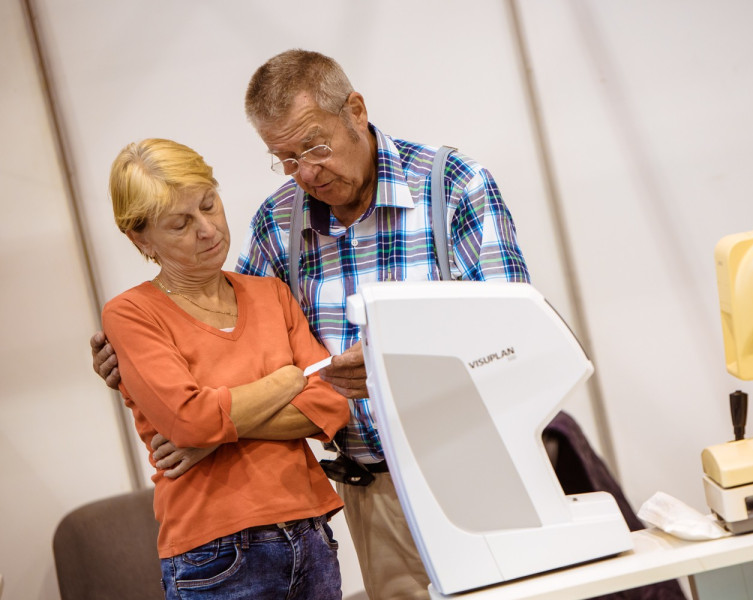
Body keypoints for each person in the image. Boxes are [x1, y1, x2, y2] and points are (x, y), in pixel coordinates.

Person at [93, 49, 531, 599]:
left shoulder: (452, 188)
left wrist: (214, 429)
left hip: (475, 471)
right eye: (285, 158)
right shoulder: (281, 221)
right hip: (368, 493)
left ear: (356, 110)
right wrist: (139, 367)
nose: (306, 172)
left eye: (315, 147)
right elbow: (233, 351)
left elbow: (514, 339)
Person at [100, 138, 350, 599]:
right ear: (140, 238)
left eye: (209, 205)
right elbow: (188, 420)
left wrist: (214, 436)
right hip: (215, 549)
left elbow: (331, 403)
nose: (207, 229)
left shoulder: (269, 294)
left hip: (309, 532)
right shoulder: (131, 314)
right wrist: (286, 380)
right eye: (180, 224)